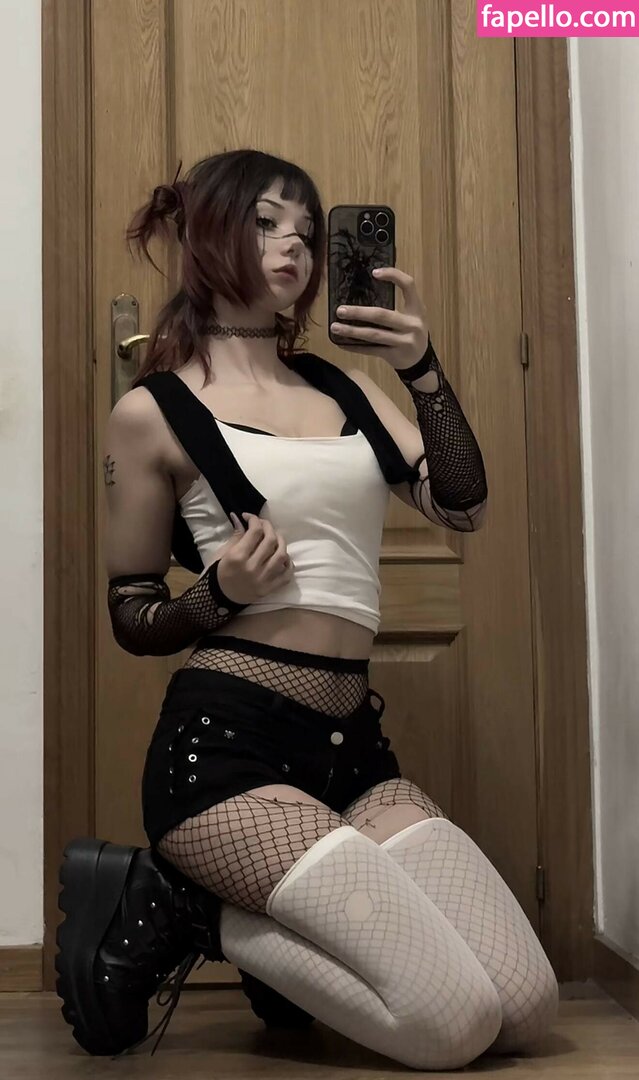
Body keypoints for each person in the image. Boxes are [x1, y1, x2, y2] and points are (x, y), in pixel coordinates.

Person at [55, 149, 558, 1069]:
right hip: (225, 756)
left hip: (351, 753)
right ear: (210, 232)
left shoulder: (340, 386)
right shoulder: (153, 411)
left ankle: (245, 925)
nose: (293, 245)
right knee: (449, 1024)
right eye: (265, 222)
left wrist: (419, 367)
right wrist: (216, 594)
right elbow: (132, 615)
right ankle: (183, 905)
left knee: (523, 1006)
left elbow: (463, 504)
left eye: (306, 230)